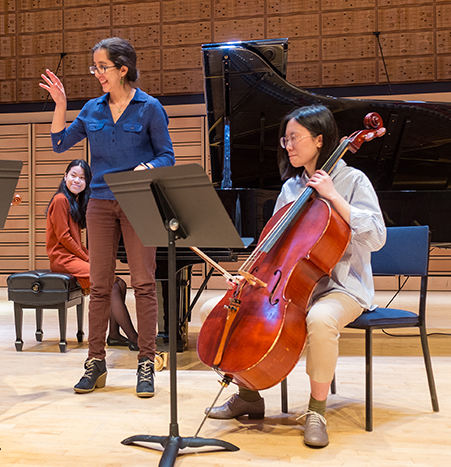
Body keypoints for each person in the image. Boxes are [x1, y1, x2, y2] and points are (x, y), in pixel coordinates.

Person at [206, 104, 386, 448]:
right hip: (288, 286)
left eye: (294, 138)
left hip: (341, 287)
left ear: (319, 140)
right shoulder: (292, 188)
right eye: (284, 139)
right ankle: (249, 396)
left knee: (320, 319)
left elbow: (377, 237)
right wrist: (248, 276)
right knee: (216, 311)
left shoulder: (352, 181)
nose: (287, 145)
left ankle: (317, 410)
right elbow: (273, 245)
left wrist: (333, 196)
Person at [39, 37, 176, 398]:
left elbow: (167, 156)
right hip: (99, 203)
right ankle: (95, 363)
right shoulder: (91, 110)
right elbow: (58, 144)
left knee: (144, 283)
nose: (97, 73)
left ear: (123, 69)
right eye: (94, 67)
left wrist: (146, 167)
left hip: (137, 200)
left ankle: (146, 362)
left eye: (102, 67)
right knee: (99, 286)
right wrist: (61, 105)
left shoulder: (149, 107)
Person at [45, 159, 139, 350]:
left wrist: (89, 256)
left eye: (82, 178)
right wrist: (89, 258)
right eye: (73, 176)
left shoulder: (75, 202)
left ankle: (113, 335)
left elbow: (76, 242)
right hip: (63, 259)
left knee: (119, 284)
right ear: (65, 177)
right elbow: (64, 239)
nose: (77, 181)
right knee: (111, 285)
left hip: (72, 257)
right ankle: (134, 337)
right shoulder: (60, 200)